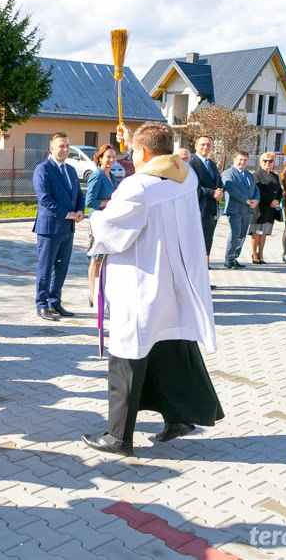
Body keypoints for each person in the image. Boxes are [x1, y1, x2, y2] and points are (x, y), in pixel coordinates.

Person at [81, 122, 223, 455]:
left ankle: (117, 438)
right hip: (175, 282)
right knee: (167, 349)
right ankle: (178, 417)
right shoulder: (186, 175)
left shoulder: (136, 187)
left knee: (127, 357)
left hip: (141, 282)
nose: (130, 155)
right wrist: (132, 139)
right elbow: (157, 163)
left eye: (133, 151)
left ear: (143, 152)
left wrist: (94, 217)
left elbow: (112, 231)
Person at [33, 132, 85, 321]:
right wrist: (66, 213)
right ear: (51, 148)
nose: (65, 149)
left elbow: (79, 194)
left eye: (67, 146)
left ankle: (55, 302)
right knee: (46, 268)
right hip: (49, 229)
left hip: (68, 229)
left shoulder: (70, 170)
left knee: (61, 269)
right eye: (61, 146)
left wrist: (80, 210)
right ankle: (42, 304)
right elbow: (44, 198)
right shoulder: (43, 169)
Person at [84, 144, 118, 307]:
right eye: (108, 157)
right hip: (97, 222)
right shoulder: (97, 176)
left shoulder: (111, 175)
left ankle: (101, 291)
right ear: (100, 158)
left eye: (113, 156)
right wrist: (110, 202)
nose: (111, 160)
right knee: (96, 258)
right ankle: (93, 294)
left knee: (104, 257)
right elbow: (89, 201)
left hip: (108, 221)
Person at [221, 151, 259, 269]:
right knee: (235, 233)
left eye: (245, 160)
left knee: (242, 235)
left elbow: (256, 189)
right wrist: (246, 200)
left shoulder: (248, 174)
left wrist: (256, 200)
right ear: (234, 159)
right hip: (235, 209)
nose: (242, 162)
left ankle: (234, 258)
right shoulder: (228, 173)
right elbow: (231, 189)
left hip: (247, 210)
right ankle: (228, 259)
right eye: (240, 159)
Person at [189, 135, 223, 264]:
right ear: (196, 146)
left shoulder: (212, 164)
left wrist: (220, 191)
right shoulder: (191, 164)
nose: (205, 147)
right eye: (202, 144)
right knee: (197, 240)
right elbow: (194, 186)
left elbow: (219, 183)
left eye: (208, 145)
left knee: (208, 239)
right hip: (199, 208)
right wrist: (212, 193)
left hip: (212, 209)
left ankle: (205, 270)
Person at [249, 152, 283, 264]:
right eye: (265, 161)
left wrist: (277, 200)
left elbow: (280, 191)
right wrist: (271, 200)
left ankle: (261, 254)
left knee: (264, 233)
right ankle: (254, 254)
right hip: (259, 208)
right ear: (261, 162)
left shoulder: (275, 176)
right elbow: (259, 190)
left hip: (270, 209)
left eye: (270, 161)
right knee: (256, 232)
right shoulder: (256, 175)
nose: (268, 163)